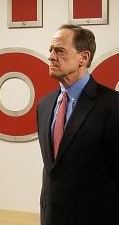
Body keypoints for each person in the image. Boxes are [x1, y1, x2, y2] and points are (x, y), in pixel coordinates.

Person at [37, 24, 119, 225]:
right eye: (50, 50)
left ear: (84, 57)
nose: (51, 56)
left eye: (60, 51)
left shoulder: (112, 105)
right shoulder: (44, 105)